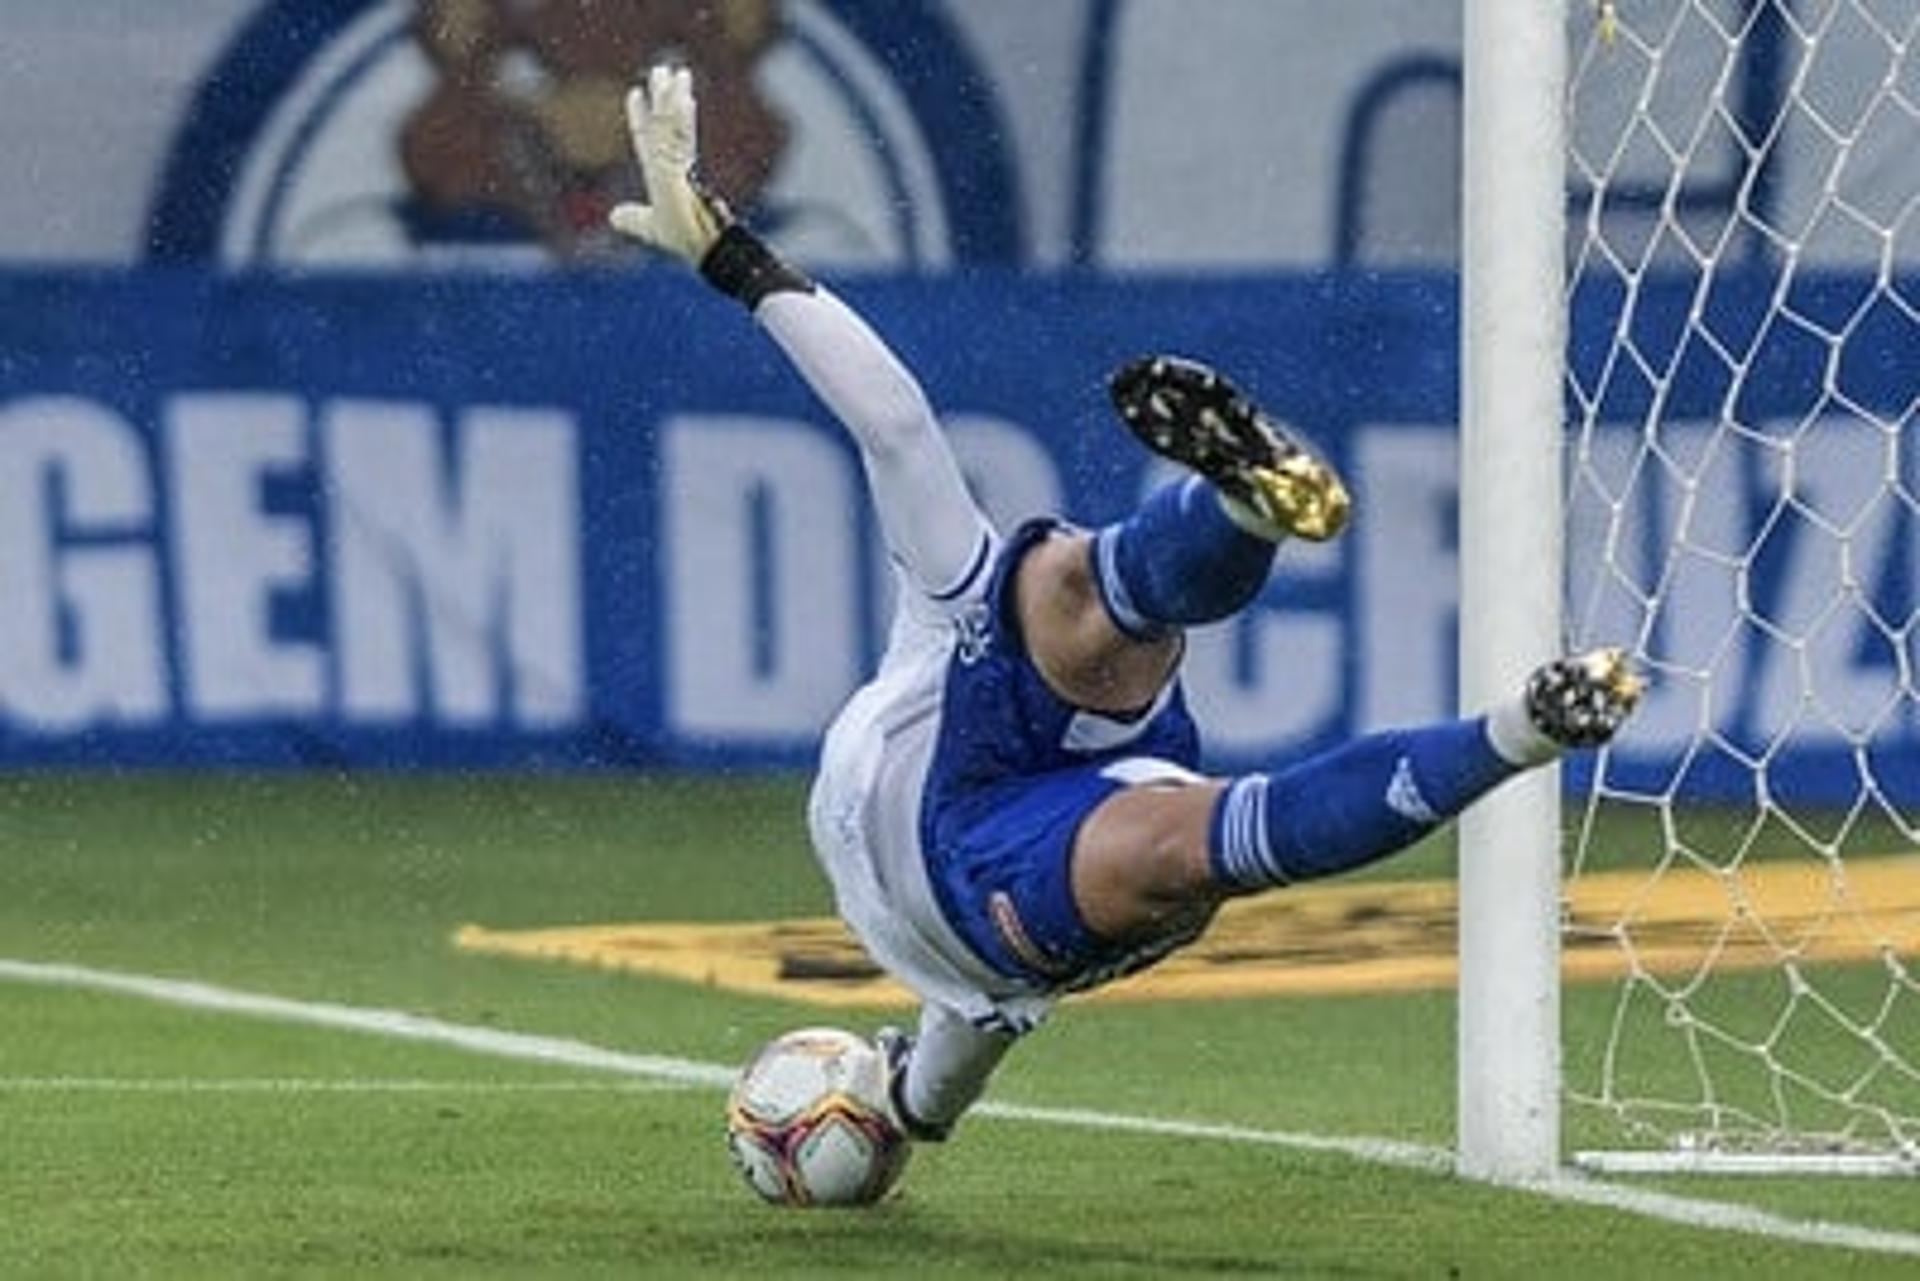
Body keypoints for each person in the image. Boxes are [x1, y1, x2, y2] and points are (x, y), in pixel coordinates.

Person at [609, 66, 1641, 1142]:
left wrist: (736, 260)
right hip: (996, 891)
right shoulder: (988, 980)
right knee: (1170, 830)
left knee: (1063, 597)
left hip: (974, 788)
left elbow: (900, 430)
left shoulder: (958, 624)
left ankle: (1246, 508)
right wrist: (903, 1118)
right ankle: (1489, 708)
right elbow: (933, 1090)